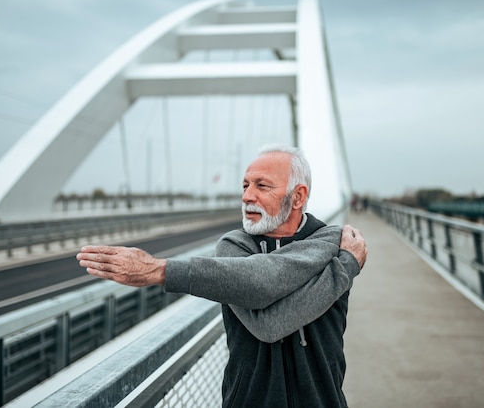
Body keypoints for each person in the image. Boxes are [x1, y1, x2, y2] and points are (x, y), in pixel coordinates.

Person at [77, 144, 368, 407]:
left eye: (262, 186)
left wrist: (159, 270)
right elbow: (266, 315)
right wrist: (345, 267)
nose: (246, 196)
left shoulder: (331, 238)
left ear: (298, 196)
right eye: (245, 185)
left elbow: (268, 287)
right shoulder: (236, 247)